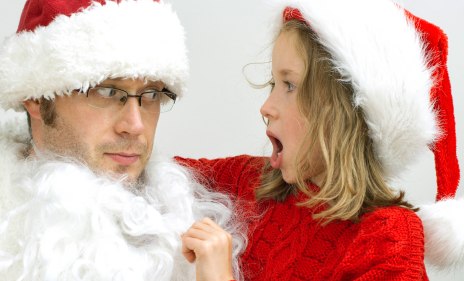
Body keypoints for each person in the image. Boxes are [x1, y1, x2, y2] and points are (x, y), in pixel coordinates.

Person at [178, 0, 461, 280]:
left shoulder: (387, 239)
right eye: (272, 84)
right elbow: (150, 176)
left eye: (289, 85)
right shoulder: (249, 182)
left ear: (342, 113)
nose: (266, 107)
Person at [0, 0, 244, 280]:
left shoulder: (210, 192)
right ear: (36, 97)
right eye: (108, 92)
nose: (135, 126)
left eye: (151, 95)